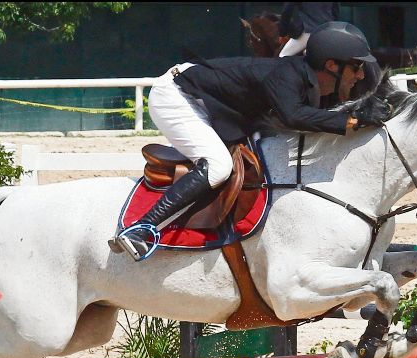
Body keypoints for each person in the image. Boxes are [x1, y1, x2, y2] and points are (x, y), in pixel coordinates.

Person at [110, 21, 392, 262]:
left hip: (213, 105)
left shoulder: (309, 82)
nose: (359, 75)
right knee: (219, 166)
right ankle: (141, 228)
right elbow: (294, 116)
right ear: (331, 65)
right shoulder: (286, 75)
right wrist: (352, 122)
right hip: (177, 97)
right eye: (356, 67)